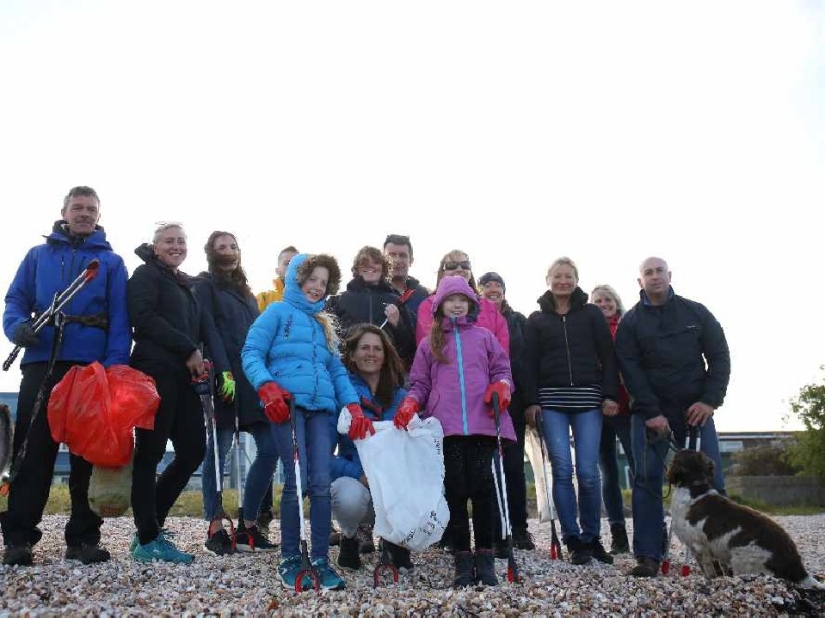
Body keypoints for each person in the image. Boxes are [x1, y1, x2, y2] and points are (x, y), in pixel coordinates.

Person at [1, 186, 131, 567]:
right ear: (64, 211)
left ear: (98, 214)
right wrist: (18, 327)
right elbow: (15, 300)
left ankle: (83, 538)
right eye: (78, 207)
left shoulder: (112, 263)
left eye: (91, 209)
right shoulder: (37, 255)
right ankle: (19, 538)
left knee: (87, 453)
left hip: (90, 367)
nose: (85, 213)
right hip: (42, 361)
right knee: (33, 451)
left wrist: (114, 367)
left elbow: (121, 318)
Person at [242, 253, 374, 591]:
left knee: (318, 482)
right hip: (288, 407)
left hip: (322, 409)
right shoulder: (276, 313)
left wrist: (354, 406)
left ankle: (319, 558)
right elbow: (251, 352)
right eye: (311, 279)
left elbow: (336, 370)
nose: (316, 287)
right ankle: (289, 556)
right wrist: (266, 386)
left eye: (323, 282)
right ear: (296, 280)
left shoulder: (323, 324)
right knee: (296, 480)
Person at [395, 275, 514, 588]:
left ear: (472, 305)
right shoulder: (429, 344)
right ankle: (462, 559)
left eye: (464, 300)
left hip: (483, 423)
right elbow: (420, 383)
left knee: (484, 490)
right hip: (445, 428)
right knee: (456, 493)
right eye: (451, 300)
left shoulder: (485, 337)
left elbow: (502, 370)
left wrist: (502, 388)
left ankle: (486, 559)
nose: (458, 304)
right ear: (440, 306)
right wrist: (410, 402)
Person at [615, 257, 730, 577]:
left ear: (669, 275)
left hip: (696, 412)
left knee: (713, 482)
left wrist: (709, 400)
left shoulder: (696, 313)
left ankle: (721, 554)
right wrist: (652, 412)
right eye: (647, 273)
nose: (654, 277)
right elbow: (630, 370)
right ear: (640, 281)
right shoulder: (631, 323)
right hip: (651, 416)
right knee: (647, 481)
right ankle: (649, 555)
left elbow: (719, 355)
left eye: (659, 271)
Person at [522, 257, 619, 566]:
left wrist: (609, 394)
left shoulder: (591, 314)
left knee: (589, 472)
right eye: (558, 276)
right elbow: (528, 363)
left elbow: (608, 355)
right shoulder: (536, 319)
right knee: (562, 470)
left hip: (588, 401)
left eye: (568, 276)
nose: (563, 281)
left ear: (576, 280)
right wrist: (531, 401)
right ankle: (572, 538)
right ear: (548, 279)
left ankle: (593, 537)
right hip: (551, 402)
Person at [194, 231, 279, 555]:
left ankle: (248, 523)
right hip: (224, 374)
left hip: (252, 378)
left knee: (270, 448)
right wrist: (222, 370)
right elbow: (209, 329)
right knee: (221, 449)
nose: (228, 252)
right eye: (221, 247)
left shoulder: (246, 293)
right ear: (211, 253)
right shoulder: (204, 286)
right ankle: (215, 524)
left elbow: (257, 335)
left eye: (232, 246)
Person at [128, 222, 207, 564]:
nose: (175, 245)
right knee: (150, 450)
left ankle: (151, 525)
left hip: (183, 374)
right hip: (154, 369)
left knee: (193, 449)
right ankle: (147, 539)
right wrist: (189, 348)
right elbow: (142, 319)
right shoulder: (146, 275)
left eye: (181, 241)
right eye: (168, 241)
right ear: (155, 246)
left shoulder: (183, 283)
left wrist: (200, 356)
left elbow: (193, 327)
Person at [331, 323, 413, 572]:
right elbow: (323, 456)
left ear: (386, 355)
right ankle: (350, 535)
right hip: (358, 479)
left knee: (423, 484)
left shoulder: (401, 398)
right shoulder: (340, 396)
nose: (371, 353)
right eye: (364, 347)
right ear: (352, 355)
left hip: (393, 480)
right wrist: (359, 474)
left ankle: (396, 539)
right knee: (348, 498)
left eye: (378, 348)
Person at [478, 272, 534, 552]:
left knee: (513, 466)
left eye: (497, 285)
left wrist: (531, 401)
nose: (492, 289)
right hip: (482, 401)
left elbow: (526, 362)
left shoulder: (517, 321)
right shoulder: (473, 320)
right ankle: (494, 528)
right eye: (486, 286)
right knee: (488, 468)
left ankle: (519, 527)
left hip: (514, 400)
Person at [252, 245, 299, 536]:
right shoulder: (265, 300)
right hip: (271, 386)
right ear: (278, 269)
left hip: (301, 389)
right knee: (269, 450)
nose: (292, 267)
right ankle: (260, 517)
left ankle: (300, 518)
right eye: (287, 263)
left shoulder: (315, 304)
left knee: (299, 455)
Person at [590, 284, 633, 555]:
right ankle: (618, 533)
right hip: (599, 408)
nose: (603, 304)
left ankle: (655, 533)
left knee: (639, 470)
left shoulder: (628, 327)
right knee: (608, 472)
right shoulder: (590, 331)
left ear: (616, 301)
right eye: (598, 301)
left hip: (628, 407)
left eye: (607, 299)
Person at [325, 246, 416, 368]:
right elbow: (327, 341)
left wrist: (397, 325)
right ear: (357, 269)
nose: (370, 266)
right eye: (364, 263)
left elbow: (410, 347)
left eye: (376, 263)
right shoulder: (338, 300)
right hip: (348, 373)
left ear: (383, 268)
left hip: (386, 374)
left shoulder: (396, 301)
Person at [415, 250, 509, 356]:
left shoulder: (488, 307)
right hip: (443, 370)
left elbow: (501, 353)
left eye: (465, 265)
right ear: (442, 272)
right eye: (451, 265)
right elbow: (426, 350)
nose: (459, 269)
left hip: (483, 371)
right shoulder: (428, 305)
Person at [382, 234, 430, 321]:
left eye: (402, 255)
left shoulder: (423, 295)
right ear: (382, 260)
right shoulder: (372, 292)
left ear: (411, 260)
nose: (397, 260)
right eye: (392, 255)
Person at [256, 246, 299, 312]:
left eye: (297, 264)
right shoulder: (264, 298)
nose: (293, 267)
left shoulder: (313, 300)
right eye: (287, 263)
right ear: (277, 271)